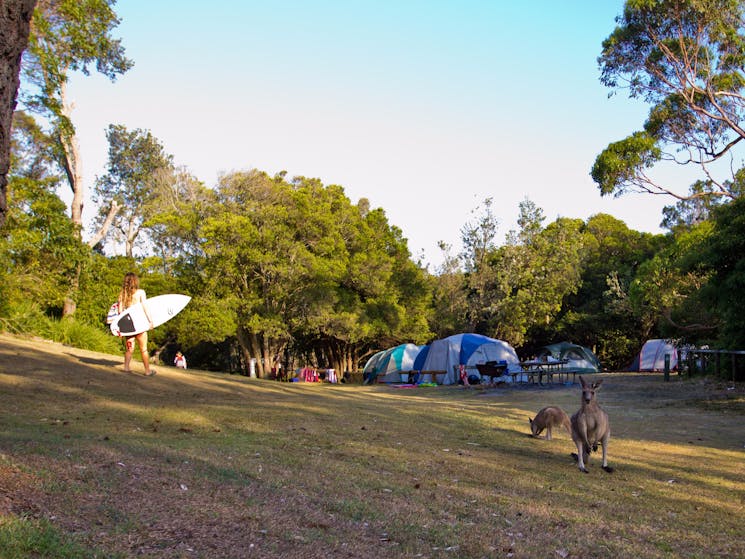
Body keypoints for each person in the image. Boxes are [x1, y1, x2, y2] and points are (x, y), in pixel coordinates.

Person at [118, 272, 156, 376]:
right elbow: (145, 307)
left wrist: (121, 327)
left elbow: (120, 312)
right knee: (143, 349)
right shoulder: (140, 292)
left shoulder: (123, 294)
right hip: (140, 324)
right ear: (135, 281)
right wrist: (150, 321)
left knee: (130, 348)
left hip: (128, 325)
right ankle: (147, 371)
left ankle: (126, 367)